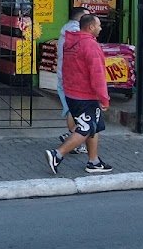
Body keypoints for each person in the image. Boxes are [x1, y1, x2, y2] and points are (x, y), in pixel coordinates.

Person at [45, 13, 113, 174]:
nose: (100, 28)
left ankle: (94, 161)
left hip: (72, 92)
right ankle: (57, 154)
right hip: (85, 95)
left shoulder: (70, 42)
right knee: (86, 128)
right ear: (91, 27)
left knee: (94, 127)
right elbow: (97, 75)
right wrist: (104, 98)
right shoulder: (90, 45)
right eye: (98, 25)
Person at [55, 6, 89, 155]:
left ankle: (72, 136)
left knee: (71, 108)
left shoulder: (66, 30)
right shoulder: (76, 33)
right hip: (71, 76)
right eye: (88, 17)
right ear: (81, 18)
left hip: (64, 74)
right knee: (73, 109)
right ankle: (75, 140)